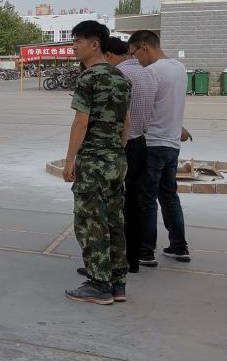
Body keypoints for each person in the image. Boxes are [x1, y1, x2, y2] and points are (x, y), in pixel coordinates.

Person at [62, 21, 132, 306]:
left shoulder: (89, 78)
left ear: (95, 45)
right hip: (116, 159)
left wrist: (70, 159)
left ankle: (99, 284)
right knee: (114, 220)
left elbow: (81, 122)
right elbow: (126, 123)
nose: (74, 47)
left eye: (78, 41)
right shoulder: (121, 78)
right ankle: (117, 282)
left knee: (91, 221)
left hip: (93, 161)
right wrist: (116, 151)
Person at [128, 30, 192, 263]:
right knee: (169, 196)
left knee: (146, 198)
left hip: (152, 142)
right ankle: (179, 247)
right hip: (172, 143)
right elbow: (169, 103)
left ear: (144, 46)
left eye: (134, 53)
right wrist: (179, 126)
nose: (135, 60)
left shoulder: (151, 73)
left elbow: (144, 108)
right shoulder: (179, 68)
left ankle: (145, 251)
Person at [103, 37, 156, 272]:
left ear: (108, 55)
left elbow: (118, 118)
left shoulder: (118, 75)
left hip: (121, 145)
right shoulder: (148, 73)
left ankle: (111, 263)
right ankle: (132, 260)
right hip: (141, 144)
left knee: (111, 205)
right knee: (135, 204)